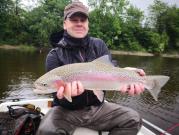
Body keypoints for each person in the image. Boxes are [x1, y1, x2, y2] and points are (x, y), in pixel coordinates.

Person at [36, 1, 145, 135]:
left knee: (133, 119)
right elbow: (57, 96)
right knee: (46, 130)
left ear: (87, 24)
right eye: (74, 20)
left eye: (83, 19)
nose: (79, 23)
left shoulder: (99, 45)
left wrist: (125, 72)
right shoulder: (54, 55)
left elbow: (110, 68)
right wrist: (67, 96)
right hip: (65, 111)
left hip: (98, 109)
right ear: (65, 24)